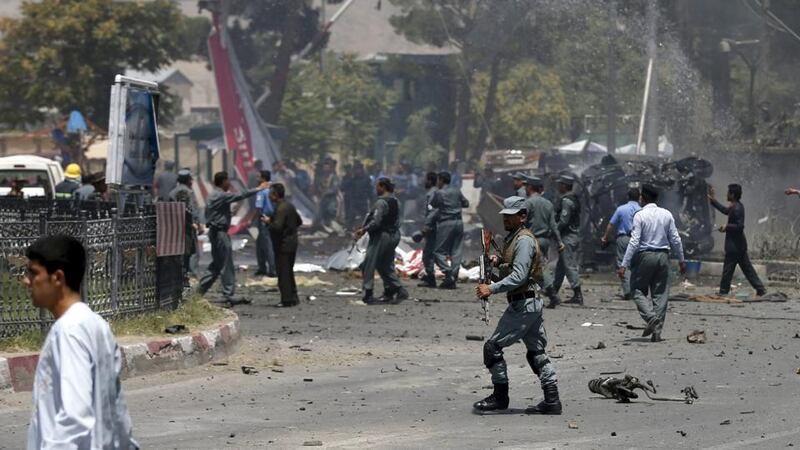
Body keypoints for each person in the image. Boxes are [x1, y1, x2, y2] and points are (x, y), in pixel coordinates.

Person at [24, 235, 137, 449]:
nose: (26, 280)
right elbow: (116, 411)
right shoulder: (96, 324)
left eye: (34, 273)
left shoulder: (69, 331)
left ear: (57, 278)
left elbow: (75, 416)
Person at [473, 196, 561, 415]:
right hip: (528, 303)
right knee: (536, 352)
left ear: (522, 217)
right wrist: (496, 263)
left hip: (523, 304)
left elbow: (519, 276)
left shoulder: (523, 241)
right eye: (506, 216)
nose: (507, 220)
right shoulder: (514, 238)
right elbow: (512, 268)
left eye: (511, 216)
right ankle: (552, 400)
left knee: (492, 348)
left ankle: (500, 397)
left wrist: (491, 289)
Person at [618, 184, 687, 343]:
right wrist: (682, 260)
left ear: (643, 198)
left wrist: (624, 264)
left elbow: (634, 242)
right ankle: (657, 332)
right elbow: (676, 239)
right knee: (660, 294)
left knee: (636, 289)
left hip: (645, 256)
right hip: (663, 256)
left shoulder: (640, 215)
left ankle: (650, 318)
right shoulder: (667, 214)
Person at [199, 171, 268, 306]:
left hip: (216, 232)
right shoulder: (220, 195)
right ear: (223, 181)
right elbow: (239, 195)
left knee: (217, 265)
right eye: (227, 181)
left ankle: (198, 292)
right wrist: (258, 189)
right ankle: (228, 294)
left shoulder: (214, 195)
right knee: (226, 264)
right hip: (220, 233)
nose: (229, 183)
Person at [354, 177, 408, 304]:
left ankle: (368, 293)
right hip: (394, 235)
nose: (375, 189)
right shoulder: (396, 201)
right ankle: (394, 290)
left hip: (381, 236)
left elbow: (376, 221)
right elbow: (399, 220)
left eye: (377, 186)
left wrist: (364, 230)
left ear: (383, 187)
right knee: (385, 264)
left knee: (369, 263)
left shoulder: (381, 203)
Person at [709, 184, 766, 296]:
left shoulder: (738, 208)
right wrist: (713, 201)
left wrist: (727, 227)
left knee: (728, 270)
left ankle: (723, 292)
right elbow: (725, 210)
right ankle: (760, 289)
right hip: (738, 246)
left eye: (729, 192)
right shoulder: (734, 206)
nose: (727, 194)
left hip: (735, 246)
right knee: (747, 270)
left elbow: (740, 226)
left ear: (733, 194)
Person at [523, 175, 565, 308]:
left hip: (532, 240)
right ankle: (536, 296)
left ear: (530, 188)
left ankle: (552, 294)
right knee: (538, 267)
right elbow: (554, 225)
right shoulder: (548, 204)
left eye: (526, 186)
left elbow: (521, 222)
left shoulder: (528, 203)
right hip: (545, 240)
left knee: (538, 267)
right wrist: (559, 241)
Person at [263, 183, 301, 307]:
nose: (269, 196)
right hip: (292, 242)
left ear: (275, 195)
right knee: (289, 271)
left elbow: (277, 227)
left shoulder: (280, 208)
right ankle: (293, 297)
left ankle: (286, 300)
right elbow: (299, 221)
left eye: (270, 194)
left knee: (283, 272)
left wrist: (268, 222)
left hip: (283, 245)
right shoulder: (289, 206)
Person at [430, 171, 469, 289]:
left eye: (438, 180)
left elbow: (433, 204)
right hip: (459, 222)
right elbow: (466, 203)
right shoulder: (457, 191)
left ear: (441, 180)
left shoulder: (439, 193)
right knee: (456, 251)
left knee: (438, 252)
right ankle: (453, 276)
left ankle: (448, 273)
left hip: (446, 223)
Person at [601, 187, 642, 300]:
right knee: (635, 265)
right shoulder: (642, 210)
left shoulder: (621, 209)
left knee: (622, 264)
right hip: (637, 239)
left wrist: (605, 237)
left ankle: (628, 291)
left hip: (623, 239)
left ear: (628, 197)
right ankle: (635, 291)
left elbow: (611, 224)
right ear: (639, 198)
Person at [553, 174, 583, 305]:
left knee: (569, 266)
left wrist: (554, 230)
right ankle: (553, 291)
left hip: (568, 237)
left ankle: (578, 294)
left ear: (564, 186)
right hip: (573, 236)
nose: (558, 187)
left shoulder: (566, 201)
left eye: (560, 184)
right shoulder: (573, 198)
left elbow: (563, 220)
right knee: (561, 266)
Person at [170, 169, 202, 282]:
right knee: (191, 252)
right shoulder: (188, 192)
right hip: (187, 227)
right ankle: (190, 275)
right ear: (188, 180)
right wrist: (198, 224)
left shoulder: (173, 192)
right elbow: (192, 210)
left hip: (175, 228)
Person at [418, 171, 439, 288]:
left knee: (428, 254)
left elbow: (432, 211)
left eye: (425, 179)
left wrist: (427, 225)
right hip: (433, 226)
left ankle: (431, 279)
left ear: (430, 181)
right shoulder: (433, 192)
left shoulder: (432, 194)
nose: (423, 181)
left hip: (432, 227)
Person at [254, 170, 277, 277]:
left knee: (267, 245)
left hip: (263, 219)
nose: (257, 179)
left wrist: (253, 220)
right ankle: (262, 267)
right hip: (273, 218)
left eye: (259, 177)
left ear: (263, 178)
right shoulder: (274, 189)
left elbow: (258, 208)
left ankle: (272, 269)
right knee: (261, 244)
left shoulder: (261, 191)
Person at [340, 161, 373, 228]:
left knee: (365, 217)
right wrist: (349, 177)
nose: (356, 171)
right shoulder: (353, 179)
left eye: (358, 169)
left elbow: (370, 191)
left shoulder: (366, 178)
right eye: (355, 169)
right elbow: (342, 187)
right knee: (351, 216)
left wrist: (372, 200)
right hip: (354, 201)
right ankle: (348, 230)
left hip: (363, 201)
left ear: (361, 169)